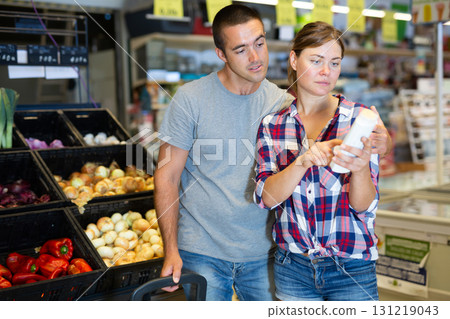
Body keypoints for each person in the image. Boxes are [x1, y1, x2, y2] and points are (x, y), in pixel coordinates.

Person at [155, 5, 390, 300]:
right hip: (203, 251)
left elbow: (359, 172)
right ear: (221, 54)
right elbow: (167, 175)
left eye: (260, 43)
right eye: (240, 49)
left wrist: (381, 141)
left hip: (266, 252)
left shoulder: (280, 104)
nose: (255, 58)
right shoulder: (191, 99)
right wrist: (171, 249)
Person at [254, 21, 381, 301]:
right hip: (293, 268)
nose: (327, 71)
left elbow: (364, 206)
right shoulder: (272, 125)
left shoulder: (358, 120)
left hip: (352, 268)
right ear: (293, 59)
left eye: (335, 63)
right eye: (316, 60)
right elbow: (267, 198)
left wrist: (359, 170)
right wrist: (302, 162)